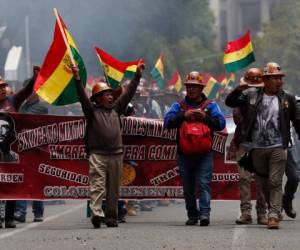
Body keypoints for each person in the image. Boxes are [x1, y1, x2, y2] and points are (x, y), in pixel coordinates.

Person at [225, 62, 300, 229]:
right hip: (256, 148)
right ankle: (268, 209)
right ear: (266, 80)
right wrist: (238, 89)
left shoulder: (287, 98)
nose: (279, 81)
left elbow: (297, 120)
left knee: (275, 181)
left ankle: (273, 215)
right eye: (275, 78)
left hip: (278, 146)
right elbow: (230, 102)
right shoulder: (251, 95)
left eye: (280, 78)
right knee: (263, 183)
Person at [73, 62, 144, 228]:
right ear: (97, 99)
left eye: (111, 94)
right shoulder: (91, 111)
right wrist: (77, 78)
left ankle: (112, 217)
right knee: (97, 185)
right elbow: (82, 97)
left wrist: (137, 76)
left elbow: (128, 94)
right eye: (105, 95)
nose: (111, 97)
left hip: (117, 154)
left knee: (113, 189)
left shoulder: (117, 109)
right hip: (97, 154)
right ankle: (97, 214)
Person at [164, 71, 226, 226]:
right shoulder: (178, 106)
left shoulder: (210, 106)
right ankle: (192, 215)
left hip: (205, 153)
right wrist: (183, 115)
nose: (191, 89)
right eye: (189, 86)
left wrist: (205, 117)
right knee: (188, 186)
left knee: (204, 183)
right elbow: (167, 123)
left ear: (201, 88)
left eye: (195, 86)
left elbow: (221, 124)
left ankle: (205, 214)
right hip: (184, 154)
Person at [0, 68, 39, 229]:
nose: (3, 89)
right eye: (0, 87)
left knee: (11, 184)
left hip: (9, 151)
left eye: (4, 87)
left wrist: (34, 77)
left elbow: (26, 91)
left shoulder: (12, 101)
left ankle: (9, 218)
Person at [230, 68, 267, 225]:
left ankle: (262, 213)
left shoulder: (268, 97)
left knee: (261, 179)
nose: (254, 87)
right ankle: (246, 212)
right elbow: (236, 115)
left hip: (262, 144)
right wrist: (241, 90)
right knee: (244, 178)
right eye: (251, 83)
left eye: (256, 84)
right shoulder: (242, 97)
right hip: (244, 142)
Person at [14, 90, 48, 223]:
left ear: (37, 93)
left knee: (37, 181)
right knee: (22, 179)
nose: (28, 95)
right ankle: (20, 212)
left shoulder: (41, 107)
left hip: (38, 149)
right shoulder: (24, 106)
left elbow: (24, 118)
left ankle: (38, 212)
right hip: (24, 148)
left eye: (30, 93)